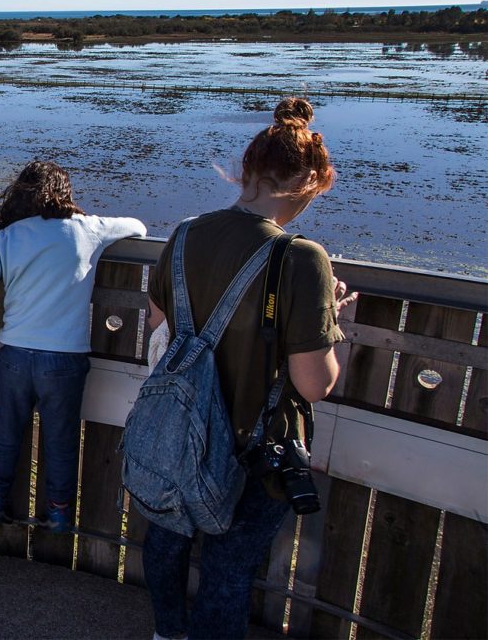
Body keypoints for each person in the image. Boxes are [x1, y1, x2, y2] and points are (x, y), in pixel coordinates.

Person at [141, 96, 357, 640]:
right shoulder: (302, 258)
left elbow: (157, 325)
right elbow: (315, 383)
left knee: (167, 541)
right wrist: (328, 318)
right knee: (227, 571)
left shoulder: (186, 233)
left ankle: (168, 631)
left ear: (245, 170)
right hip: (255, 445)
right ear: (314, 182)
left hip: (178, 430)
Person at [0, 160, 146, 532]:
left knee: (5, 433)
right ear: (65, 193)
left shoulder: (9, 237)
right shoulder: (88, 228)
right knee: (61, 440)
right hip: (64, 359)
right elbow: (139, 228)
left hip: (14, 352)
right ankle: (59, 513)